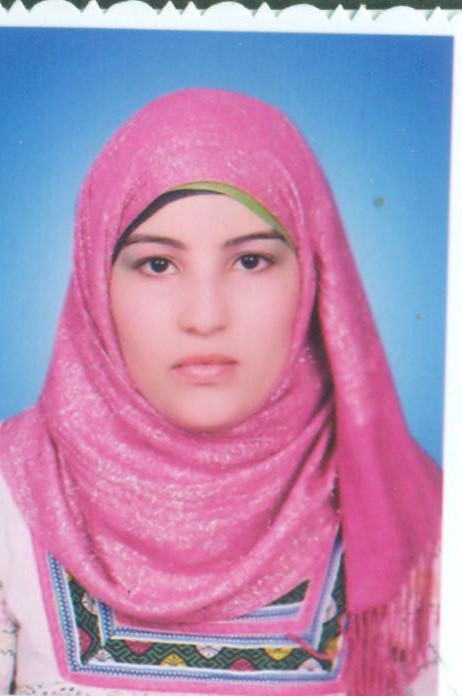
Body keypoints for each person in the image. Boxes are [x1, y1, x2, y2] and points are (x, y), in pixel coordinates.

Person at [0, 88, 441, 696]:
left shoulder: (413, 515)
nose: (205, 317)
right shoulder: (12, 493)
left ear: (315, 276)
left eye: (251, 261)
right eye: (158, 265)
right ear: (96, 284)